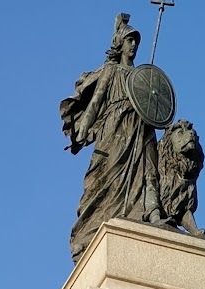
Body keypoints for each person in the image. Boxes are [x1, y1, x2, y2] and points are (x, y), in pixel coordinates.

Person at [61, 14, 165, 261]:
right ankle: (96, 225)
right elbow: (96, 102)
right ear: (120, 43)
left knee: (150, 170)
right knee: (106, 176)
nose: (133, 45)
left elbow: (157, 101)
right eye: (129, 40)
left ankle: (153, 211)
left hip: (142, 125)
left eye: (135, 42)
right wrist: (83, 130)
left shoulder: (142, 76)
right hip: (116, 128)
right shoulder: (112, 70)